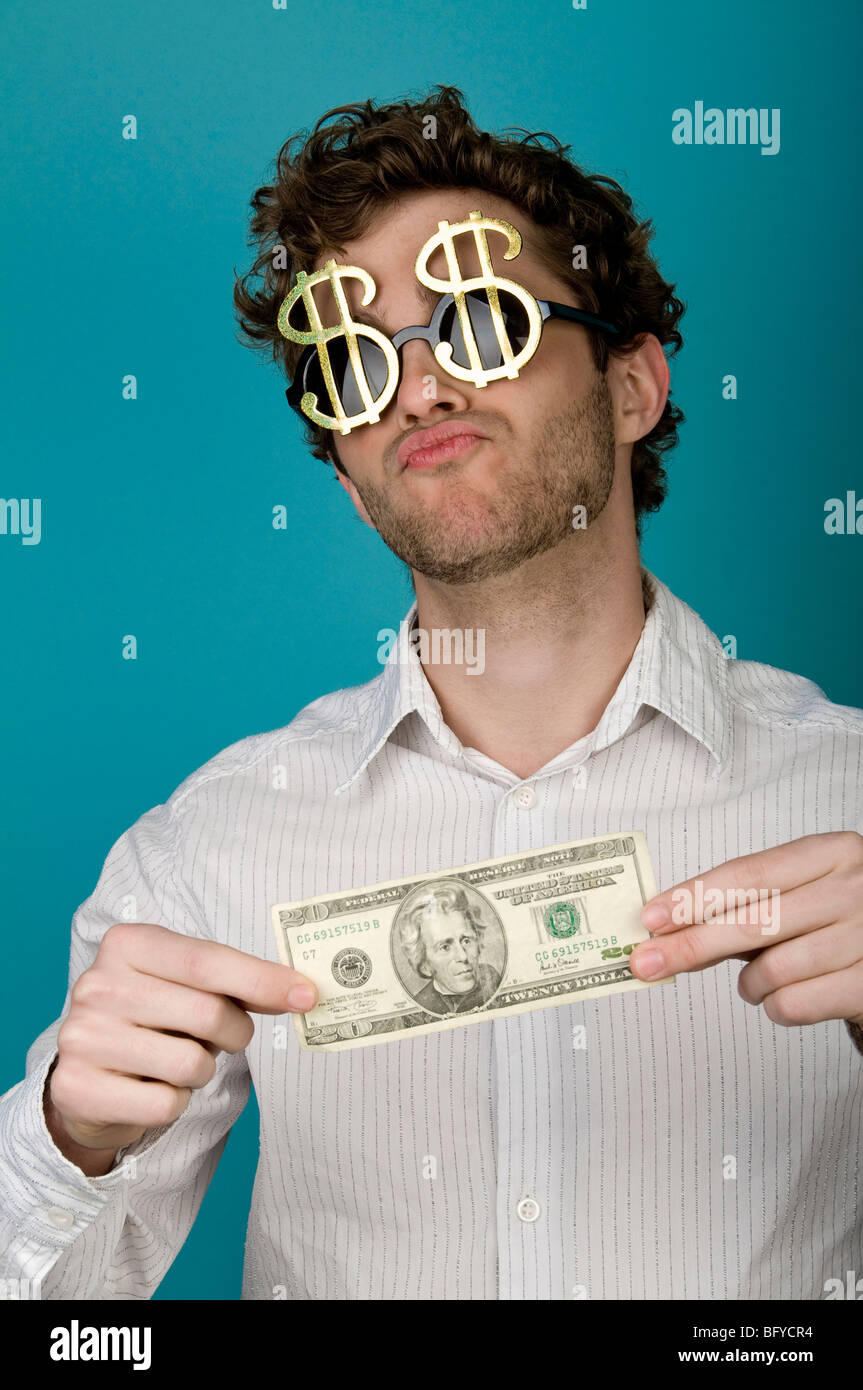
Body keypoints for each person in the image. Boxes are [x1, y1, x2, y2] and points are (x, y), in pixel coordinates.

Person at [1, 85, 861, 1302]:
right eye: (354, 362)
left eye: (478, 323)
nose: (420, 390)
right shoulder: (202, 855)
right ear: (352, 482)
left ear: (631, 388)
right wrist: (63, 1142)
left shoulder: (851, 802)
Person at [397, 885, 502, 1015]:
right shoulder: (418, 1010)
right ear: (424, 965)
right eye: (445, 947)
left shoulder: (492, 978)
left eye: (466, 941)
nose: (463, 956)